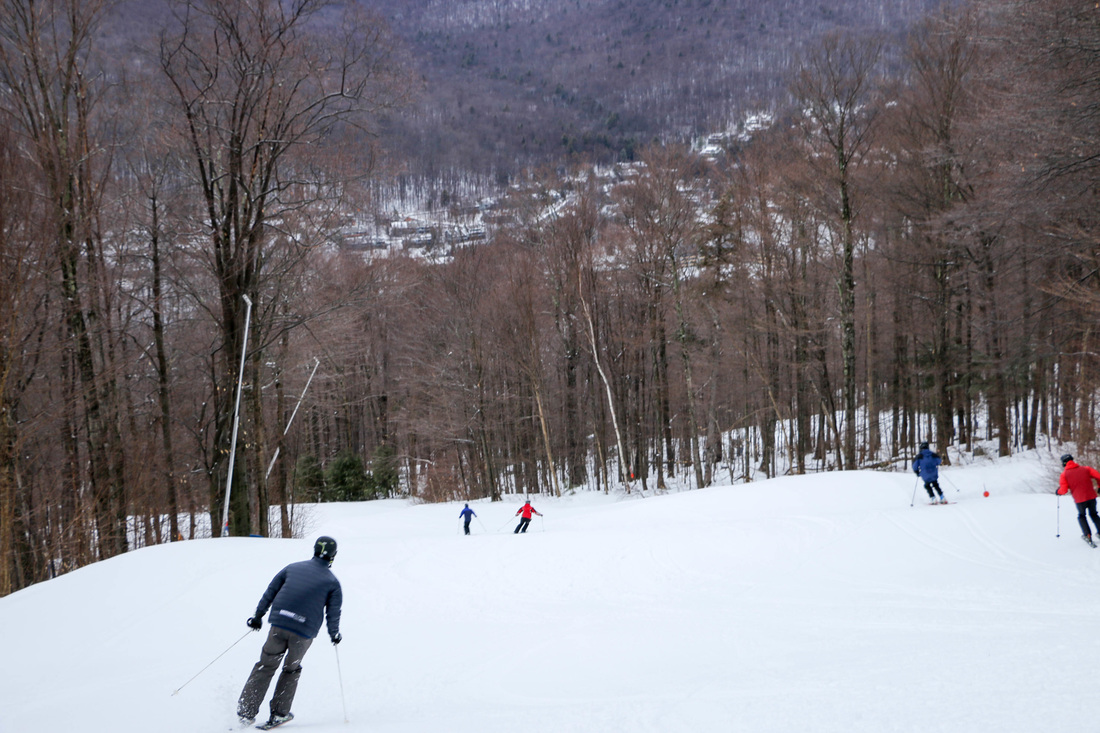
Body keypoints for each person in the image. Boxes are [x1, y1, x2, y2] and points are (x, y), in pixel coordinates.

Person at [237, 536, 343, 729]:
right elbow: (333, 612)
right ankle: (279, 714)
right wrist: (334, 633)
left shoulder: (292, 568)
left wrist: (258, 616)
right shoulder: (332, 582)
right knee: (291, 669)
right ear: (333, 556)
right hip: (303, 633)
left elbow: (270, 591)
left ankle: (246, 711)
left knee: (266, 665)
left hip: (279, 625)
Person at [1057, 454, 1100, 546]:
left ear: (1064, 463)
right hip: (1091, 496)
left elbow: (1064, 490)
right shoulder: (1086, 469)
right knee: (1094, 514)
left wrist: (1058, 492)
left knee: (1081, 516)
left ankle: (1087, 535)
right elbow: (1098, 476)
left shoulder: (1064, 474)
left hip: (1080, 500)